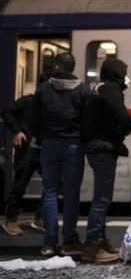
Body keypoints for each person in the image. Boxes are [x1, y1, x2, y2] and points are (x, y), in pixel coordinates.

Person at [30, 53, 90, 257]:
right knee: (72, 194)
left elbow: (33, 118)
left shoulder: (44, 88)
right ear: (73, 67)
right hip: (73, 145)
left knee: (49, 192)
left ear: (57, 66)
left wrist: (41, 138)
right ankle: (69, 241)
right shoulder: (82, 89)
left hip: (49, 145)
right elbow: (88, 120)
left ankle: (49, 243)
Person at [79, 58, 131, 262]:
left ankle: (100, 241)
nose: (126, 77)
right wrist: (124, 132)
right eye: (124, 72)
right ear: (115, 73)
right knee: (102, 199)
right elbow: (125, 118)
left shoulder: (99, 88)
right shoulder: (110, 89)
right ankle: (92, 246)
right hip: (103, 148)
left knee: (101, 197)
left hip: (94, 147)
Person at [1, 89, 45, 235]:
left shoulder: (52, 105)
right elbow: (6, 111)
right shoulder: (28, 101)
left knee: (53, 184)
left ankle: (40, 218)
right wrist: (16, 131)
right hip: (26, 149)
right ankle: (10, 219)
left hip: (44, 150)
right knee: (20, 185)